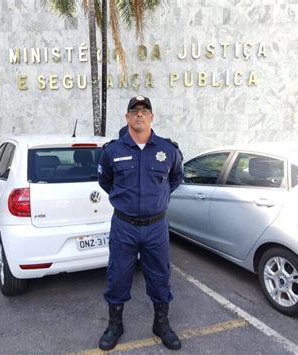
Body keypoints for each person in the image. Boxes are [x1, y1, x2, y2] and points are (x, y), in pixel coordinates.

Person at [97, 95, 184, 351]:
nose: (139, 114)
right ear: (127, 117)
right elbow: (106, 182)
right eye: (134, 111)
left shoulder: (167, 150)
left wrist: (160, 199)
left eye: (145, 110)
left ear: (152, 117)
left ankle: (161, 324)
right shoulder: (113, 151)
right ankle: (115, 325)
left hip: (156, 227)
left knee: (160, 275)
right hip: (124, 226)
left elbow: (176, 177)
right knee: (118, 274)